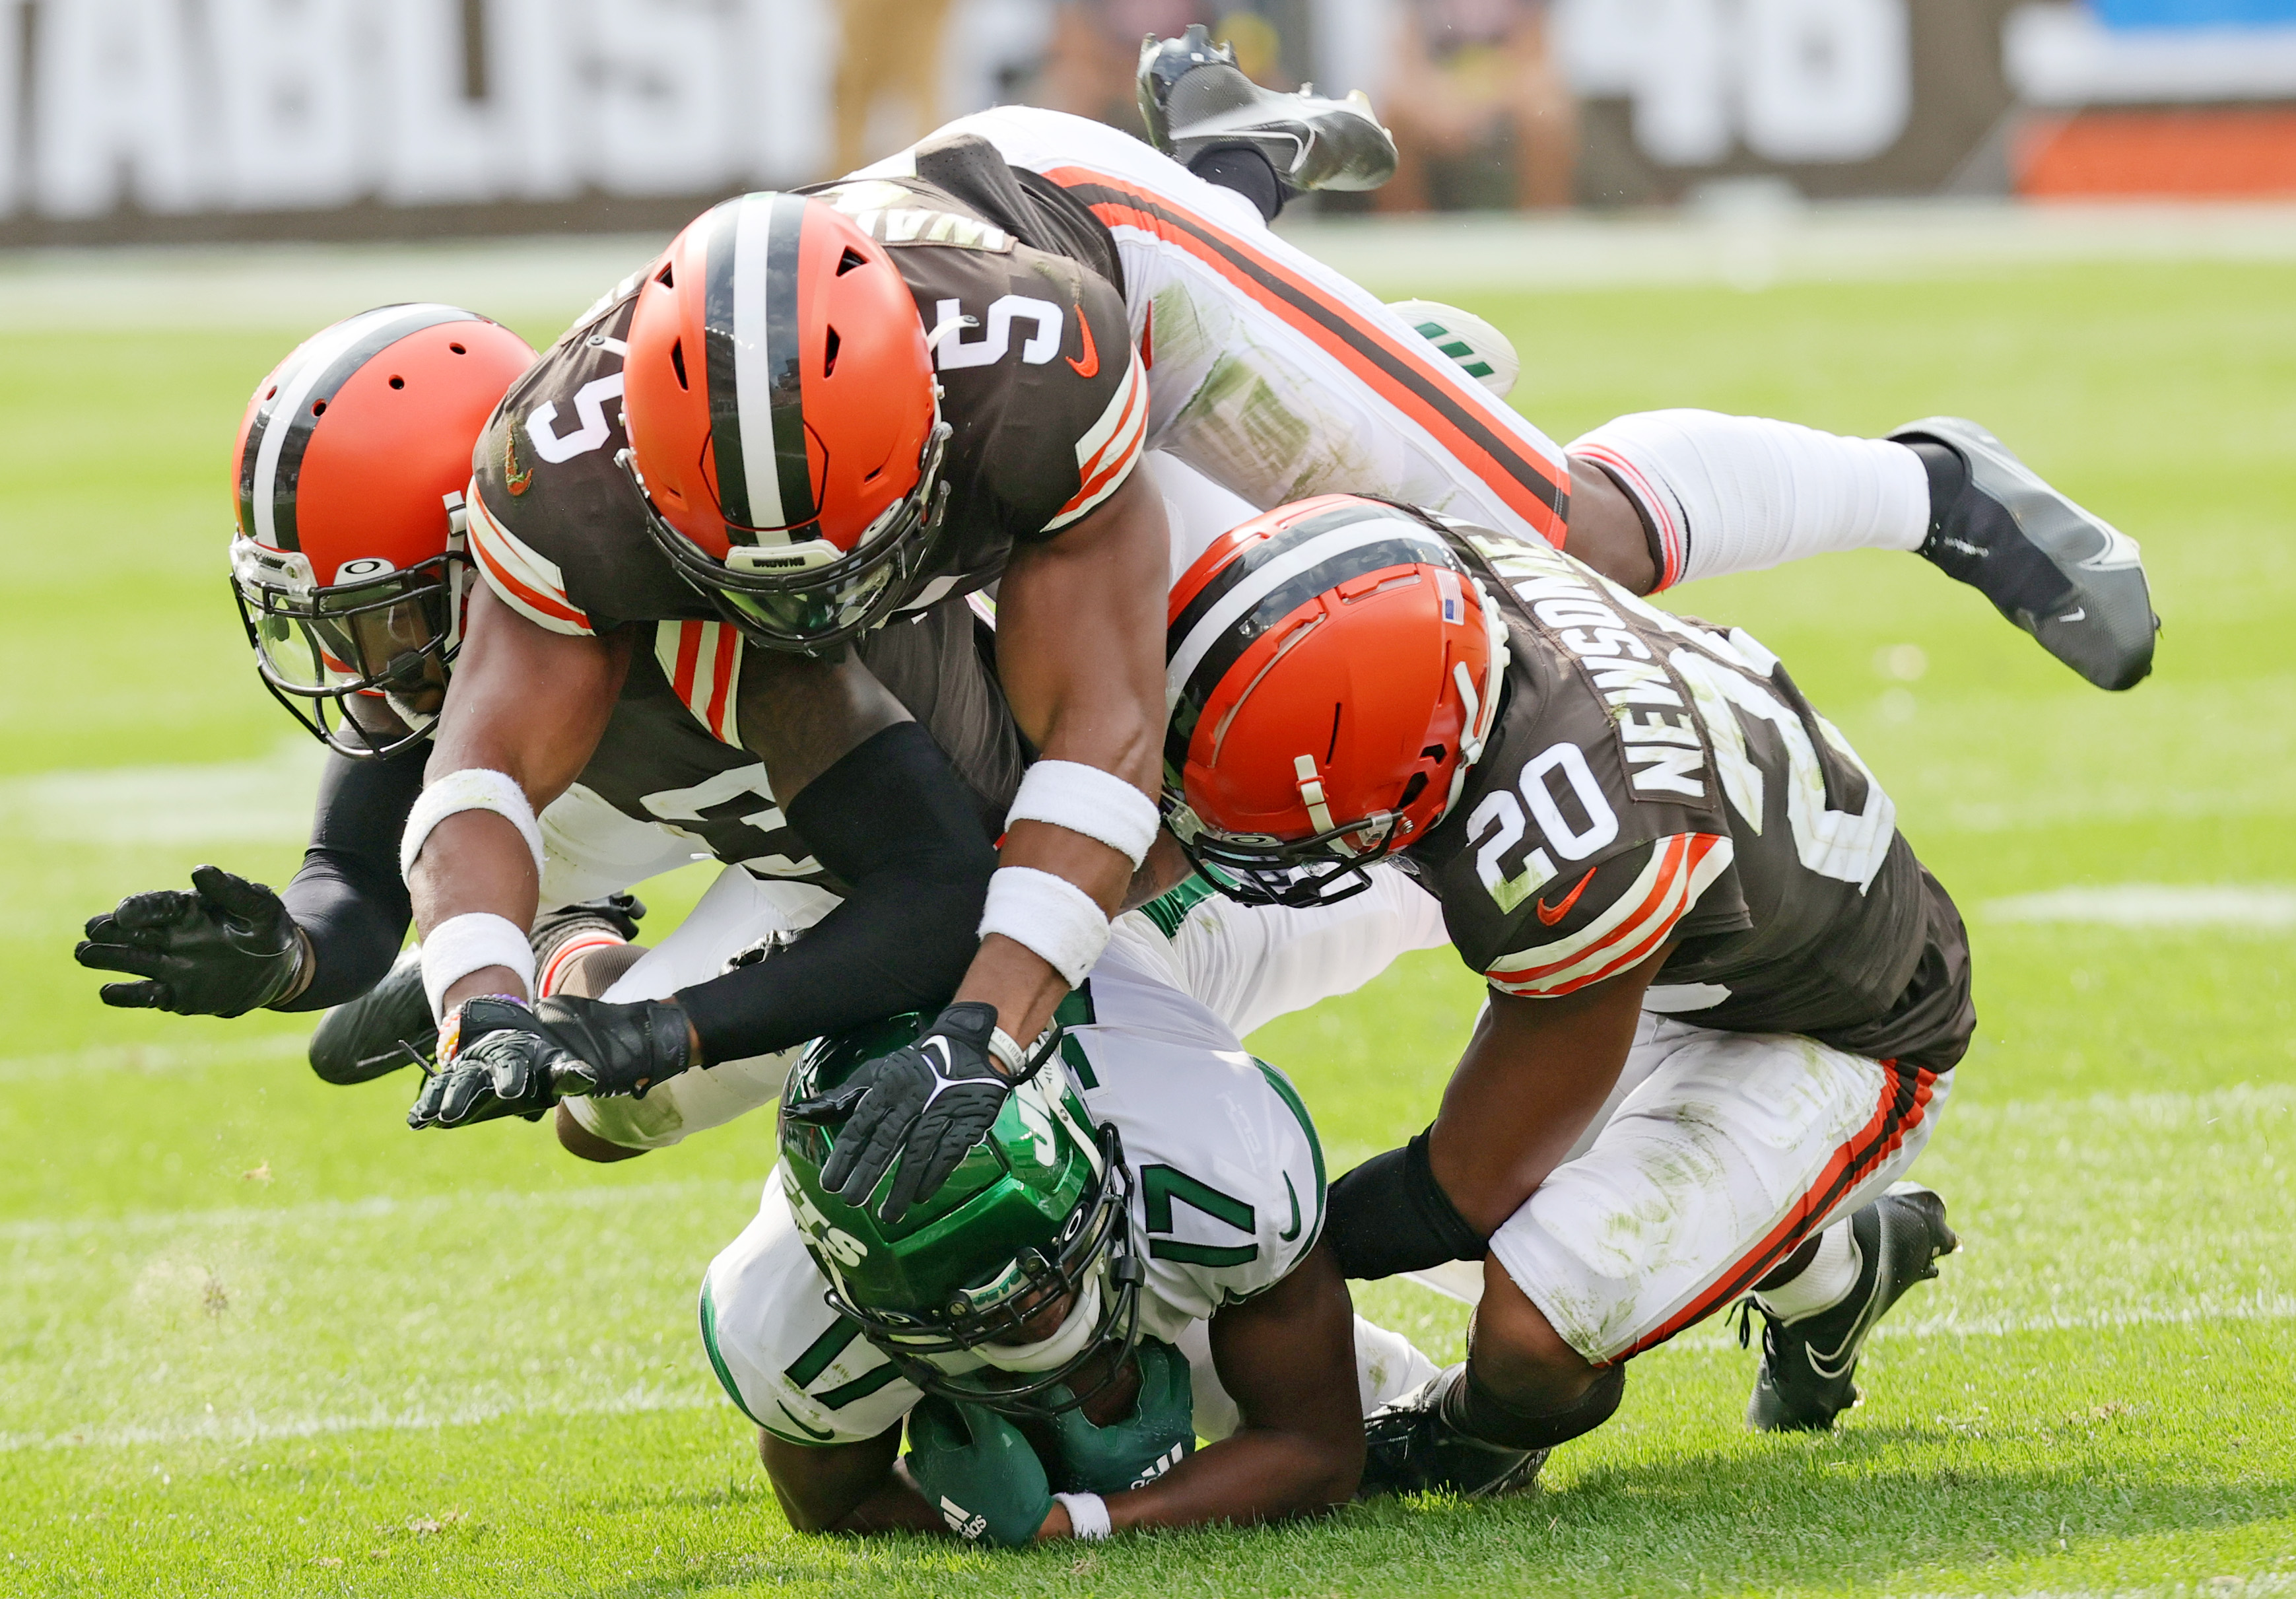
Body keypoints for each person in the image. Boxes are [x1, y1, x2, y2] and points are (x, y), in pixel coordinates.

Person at [427, 42, 2153, 1217]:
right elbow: (482, 767)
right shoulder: (554, 475)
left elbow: (1100, 730)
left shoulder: (1034, 365)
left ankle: (1927, 485)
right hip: (914, 442)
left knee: (1543, 542)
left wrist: (989, 1021)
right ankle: (1245, 171)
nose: (806, 599)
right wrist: (481, 985)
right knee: (1006, 857)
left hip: (1101, 251)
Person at [1158, 491, 1996, 1491]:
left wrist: (1277, 1264)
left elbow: (1466, 1185)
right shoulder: (1422, 594)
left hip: (1837, 1026)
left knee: (1534, 1321)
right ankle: (1837, 1266)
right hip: (1707, 938)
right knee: (1573, 1213)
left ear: (1425, 764)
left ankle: (1462, 1438)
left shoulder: (1581, 834)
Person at [702, 868, 1464, 1544]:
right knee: (615, 1113)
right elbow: (830, 1505)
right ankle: (580, 932)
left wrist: (1078, 1522)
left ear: (1088, 1150)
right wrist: (1008, 1521)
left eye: (1046, 1271)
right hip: (858, 920)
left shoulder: (1211, 1151)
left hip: (1146, 934)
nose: (1027, 1316)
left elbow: (1316, 1453)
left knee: (1416, 870)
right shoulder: (789, 1328)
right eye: (970, 1300)